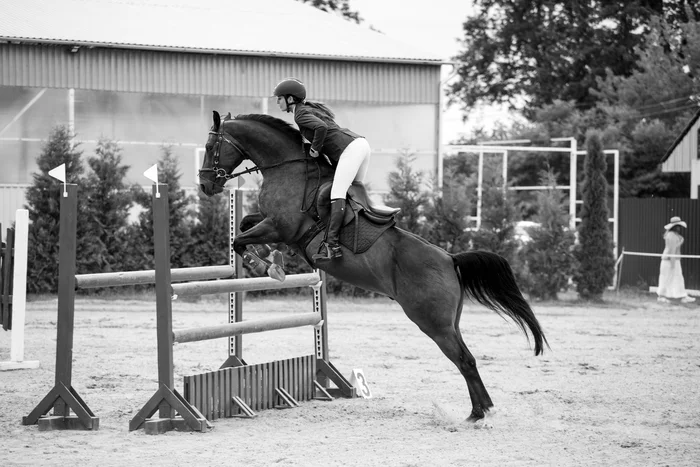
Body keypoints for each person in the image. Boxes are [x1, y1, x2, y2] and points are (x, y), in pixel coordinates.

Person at [273, 77, 371, 261]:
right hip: (360, 144)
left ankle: (332, 244)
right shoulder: (307, 109)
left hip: (349, 149)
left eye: (279, 98)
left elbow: (321, 127)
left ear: (290, 99)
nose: (277, 102)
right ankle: (362, 230)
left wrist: (315, 149)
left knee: (337, 194)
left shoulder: (300, 114)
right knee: (354, 191)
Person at [657, 216, 695, 303]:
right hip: (669, 261)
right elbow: (672, 250)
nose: (679, 228)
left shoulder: (674, 235)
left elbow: (674, 247)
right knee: (666, 278)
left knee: (678, 278)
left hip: (673, 260)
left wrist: (680, 242)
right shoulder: (671, 236)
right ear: (675, 227)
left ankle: (682, 296)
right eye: (678, 226)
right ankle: (661, 296)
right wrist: (673, 264)